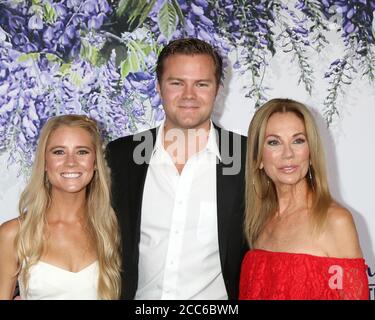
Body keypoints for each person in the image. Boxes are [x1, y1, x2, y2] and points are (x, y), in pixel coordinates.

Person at [106, 38, 248, 299]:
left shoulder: (247, 157)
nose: (189, 95)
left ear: (217, 89)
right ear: (159, 87)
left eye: (201, 84)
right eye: (176, 83)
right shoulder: (120, 157)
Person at [239, 98, 369, 300]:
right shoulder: (260, 222)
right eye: (274, 142)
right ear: (259, 158)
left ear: (310, 153)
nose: (288, 154)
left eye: (298, 140)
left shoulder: (335, 221)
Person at [0, 115, 121, 300]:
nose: (71, 162)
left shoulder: (112, 230)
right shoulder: (14, 233)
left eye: (82, 152)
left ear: (95, 162)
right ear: (45, 162)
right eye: (59, 152)